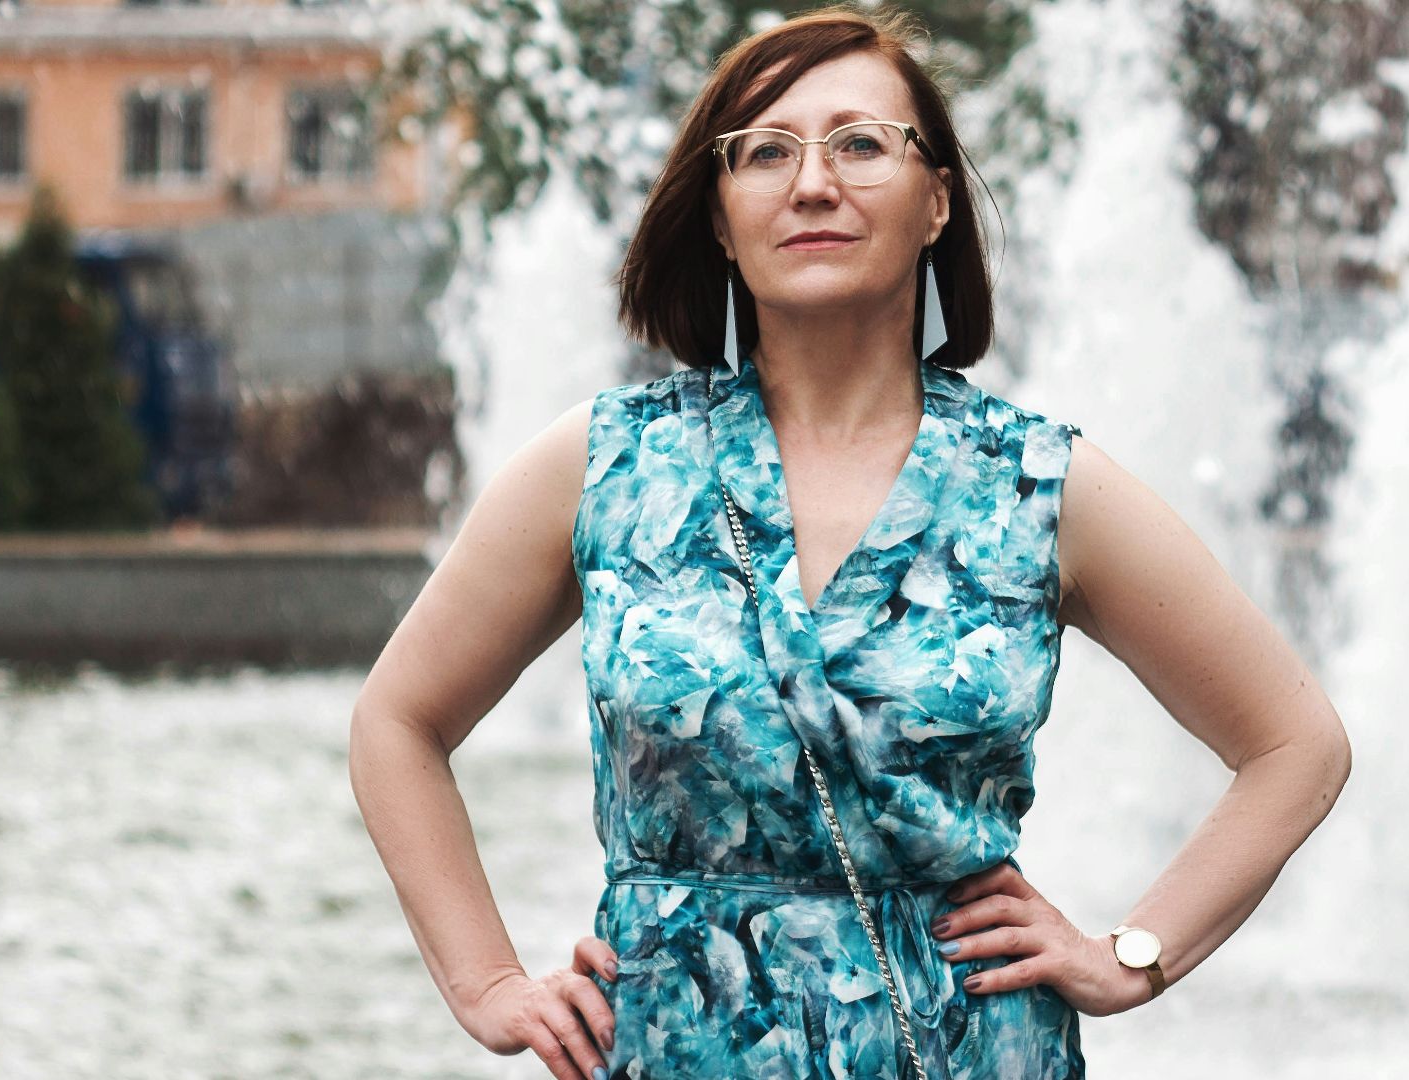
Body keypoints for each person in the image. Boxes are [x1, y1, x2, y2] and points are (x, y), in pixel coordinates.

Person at [348, 6, 1352, 1079]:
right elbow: (397, 723)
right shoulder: (604, 468)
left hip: (966, 1053)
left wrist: (1130, 956)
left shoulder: (1040, 487)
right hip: (681, 1052)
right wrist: (489, 983)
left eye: (862, 144)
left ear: (936, 201)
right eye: (766, 153)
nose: (812, 183)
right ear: (722, 220)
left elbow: (1295, 744)